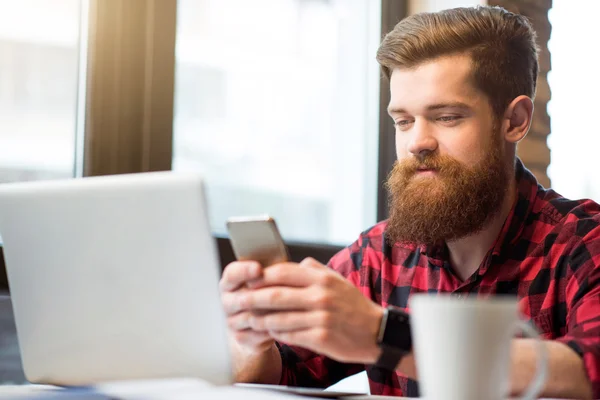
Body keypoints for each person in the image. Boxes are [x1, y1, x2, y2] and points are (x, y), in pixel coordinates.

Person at [219, 5, 600, 399]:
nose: (417, 142)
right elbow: (280, 372)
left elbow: (590, 368)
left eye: (447, 117)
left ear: (515, 120)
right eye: (403, 121)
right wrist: (252, 338)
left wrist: (383, 335)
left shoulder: (583, 244)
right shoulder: (377, 257)